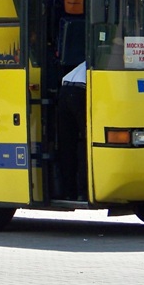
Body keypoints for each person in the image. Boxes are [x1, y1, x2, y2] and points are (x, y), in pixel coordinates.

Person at [56, 61, 87, 200]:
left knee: (67, 147)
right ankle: (85, 191)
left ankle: (69, 193)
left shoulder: (82, 64)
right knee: (88, 145)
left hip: (65, 91)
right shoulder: (104, 60)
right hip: (81, 92)